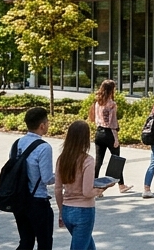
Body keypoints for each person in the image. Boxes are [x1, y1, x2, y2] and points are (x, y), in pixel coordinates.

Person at [55, 120, 106, 250]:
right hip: (84, 211)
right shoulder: (87, 160)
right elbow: (87, 192)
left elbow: (57, 189)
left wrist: (61, 211)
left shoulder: (62, 159)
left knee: (88, 245)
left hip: (67, 209)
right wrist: (100, 190)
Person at [12, 107, 56, 250]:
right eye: (47, 122)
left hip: (19, 200)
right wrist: (63, 176)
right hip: (38, 201)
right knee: (44, 243)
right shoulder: (44, 148)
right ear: (42, 125)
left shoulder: (16, 144)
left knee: (26, 241)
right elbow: (47, 178)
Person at [89, 80, 130, 193]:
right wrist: (116, 138)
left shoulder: (97, 103)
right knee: (116, 160)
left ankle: (94, 186)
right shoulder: (111, 104)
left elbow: (94, 119)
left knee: (98, 161)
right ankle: (121, 185)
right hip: (109, 133)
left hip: (98, 133)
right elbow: (113, 123)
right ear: (111, 90)